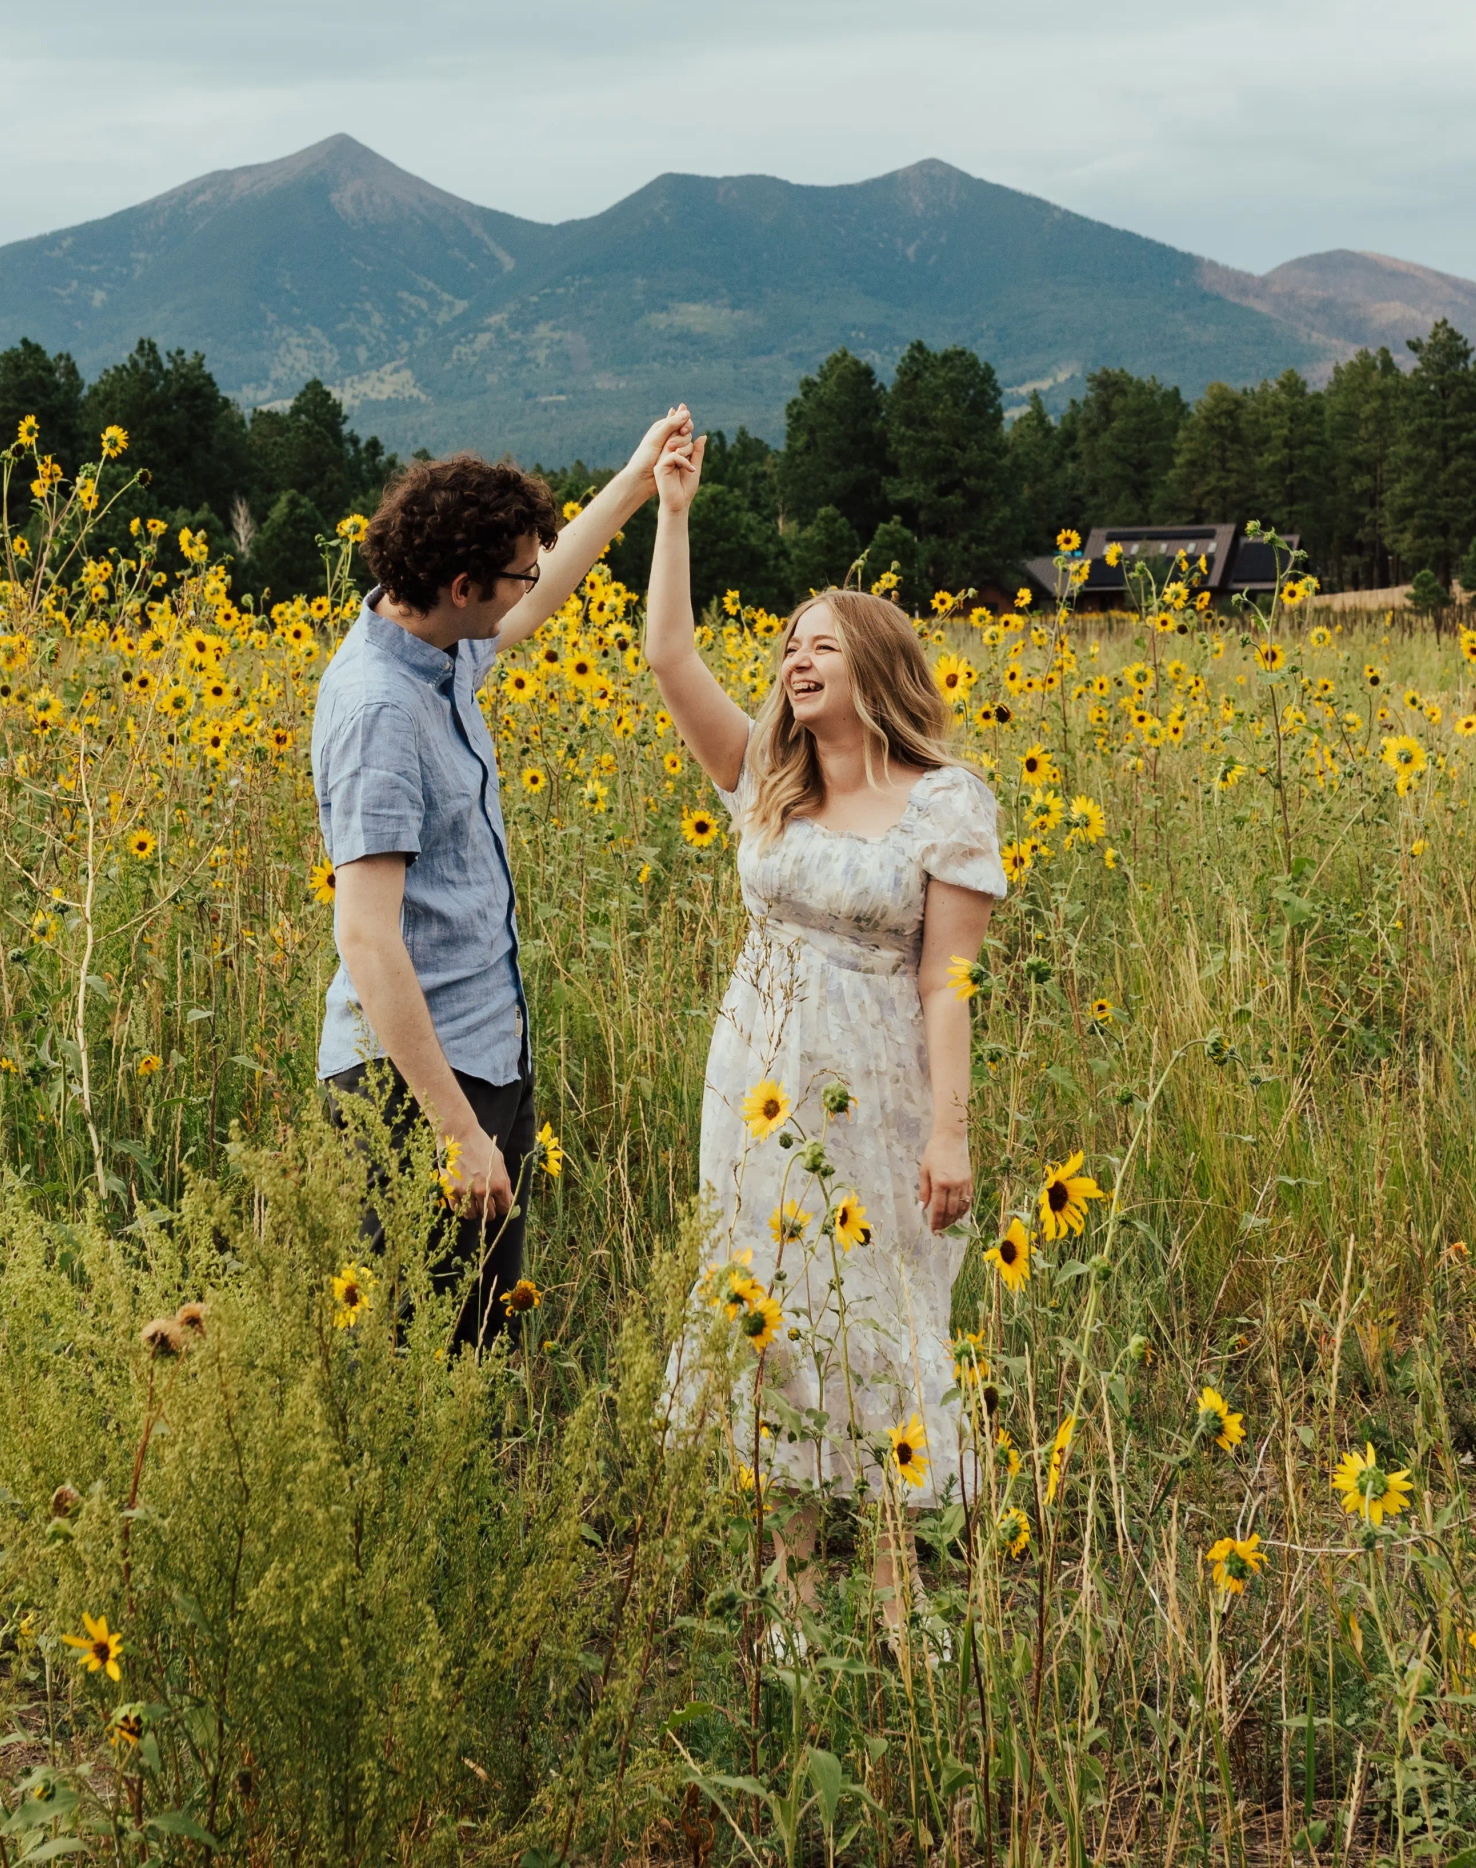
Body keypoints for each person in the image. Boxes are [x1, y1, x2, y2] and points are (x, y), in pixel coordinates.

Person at [636, 423, 1004, 1603]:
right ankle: (794, 1588)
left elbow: (949, 981)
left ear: (878, 664)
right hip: (753, 1082)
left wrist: (951, 1130)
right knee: (772, 1306)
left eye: (823, 645)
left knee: (881, 1312)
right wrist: (675, 510)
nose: (796, 660)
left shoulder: (947, 803)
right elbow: (667, 654)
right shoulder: (767, 784)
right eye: (790, 646)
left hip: (879, 1088)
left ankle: (898, 1587)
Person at [315, 409, 692, 1349]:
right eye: (513, 572)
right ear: (459, 584)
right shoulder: (380, 711)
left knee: (480, 1340)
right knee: (428, 1352)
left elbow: (538, 598)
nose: (527, 588)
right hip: (415, 1084)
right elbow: (365, 936)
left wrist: (639, 479)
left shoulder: (436, 649)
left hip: (480, 1052)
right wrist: (454, 1131)